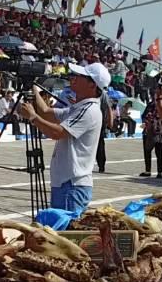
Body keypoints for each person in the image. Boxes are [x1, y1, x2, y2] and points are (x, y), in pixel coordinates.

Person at [19, 62, 109, 214]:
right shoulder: (80, 107)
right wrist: (33, 86)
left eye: (80, 76)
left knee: (66, 234)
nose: (74, 78)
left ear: (92, 85)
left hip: (72, 185)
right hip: (66, 183)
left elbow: (57, 133)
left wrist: (33, 117)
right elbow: (46, 112)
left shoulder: (89, 110)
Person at [139, 85, 162, 178]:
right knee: (147, 151)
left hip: (159, 131)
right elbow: (143, 115)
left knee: (159, 152)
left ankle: (160, 171)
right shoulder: (150, 105)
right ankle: (148, 170)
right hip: (148, 130)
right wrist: (146, 120)